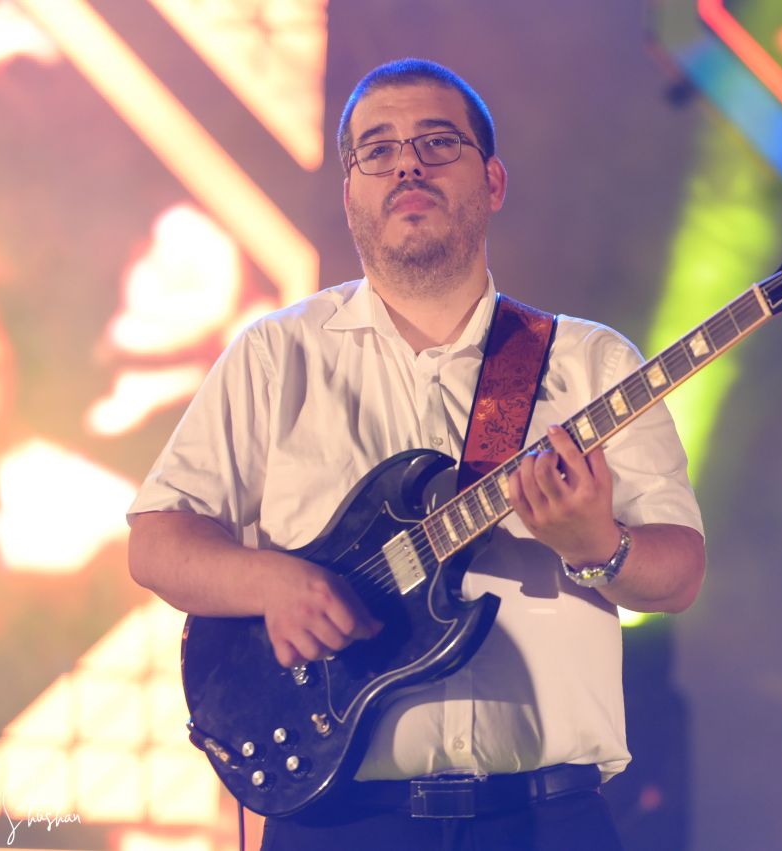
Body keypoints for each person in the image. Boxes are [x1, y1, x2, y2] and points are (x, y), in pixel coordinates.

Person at [127, 58, 706, 851]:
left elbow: (680, 574)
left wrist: (597, 547)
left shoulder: (591, 363)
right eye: (378, 149)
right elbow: (157, 543)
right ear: (350, 194)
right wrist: (272, 581)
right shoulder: (275, 355)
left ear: (493, 181)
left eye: (437, 143)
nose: (408, 164)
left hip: (547, 819)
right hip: (337, 820)